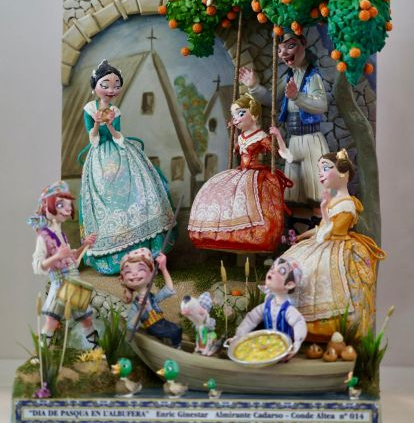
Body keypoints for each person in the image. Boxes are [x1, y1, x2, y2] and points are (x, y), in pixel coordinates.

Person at [79, 59, 174, 275]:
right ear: (95, 86)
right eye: (105, 85)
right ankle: (112, 254)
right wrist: (97, 123)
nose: (111, 90)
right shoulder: (89, 109)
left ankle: (143, 249)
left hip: (119, 151)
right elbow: (92, 139)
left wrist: (111, 125)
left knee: (137, 187)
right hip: (100, 156)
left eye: (116, 85)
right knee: (105, 194)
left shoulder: (115, 110)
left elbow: (118, 136)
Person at [280, 149, 386, 341]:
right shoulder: (334, 200)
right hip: (323, 242)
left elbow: (329, 233)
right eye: (319, 169)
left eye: (326, 168)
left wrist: (323, 211)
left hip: (336, 247)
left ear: (343, 173)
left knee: (315, 272)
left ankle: (325, 327)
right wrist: (302, 236)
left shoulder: (347, 205)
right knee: (290, 264)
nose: (320, 174)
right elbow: (321, 229)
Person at [188, 93, 293, 253]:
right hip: (241, 172)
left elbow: (275, 152)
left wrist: (277, 135)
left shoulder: (260, 136)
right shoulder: (241, 137)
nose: (236, 118)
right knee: (221, 195)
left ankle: (254, 235)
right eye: (234, 115)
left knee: (254, 201)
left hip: (255, 174)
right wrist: (234, 134)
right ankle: (224, 235)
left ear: (254, 116)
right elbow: (238, 150)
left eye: (241, 113)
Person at [239, 30, 329, 207]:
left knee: (316, 191)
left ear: (304, 44)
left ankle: (319, 220)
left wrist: (297, 97)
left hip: (311, 139)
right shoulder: (289, 76)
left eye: (290, 46)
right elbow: (271, 99)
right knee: (294, 192)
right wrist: (254, 86)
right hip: (294, 140)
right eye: (280, 50)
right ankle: (298, 222)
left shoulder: (313, 76)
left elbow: (321, 105)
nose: (284, 53)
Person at [29, 181, 99, 348]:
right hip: (60, 284)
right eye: (60, 204)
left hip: (73, 282)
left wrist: (85, 245)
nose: (67, 209)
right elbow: (38, 265)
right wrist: (57, 256)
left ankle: (97, 350)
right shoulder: (44, 237)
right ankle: (42, 353)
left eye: (68, 205)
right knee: (51, 321)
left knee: (86, 319)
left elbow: (71, 259)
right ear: (47, 206)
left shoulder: (62, 234)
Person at [234, 257, 307, 359]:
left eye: (281, 271)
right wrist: (238, 336)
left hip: (284, 347)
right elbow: (251, 319)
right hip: (266, 345)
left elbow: (298, 322)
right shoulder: (266, 306)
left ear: (289, 284)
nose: (272, 271)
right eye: (272, 267)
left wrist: (297, 342)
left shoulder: (288, 310)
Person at [120, 248, 182, 348]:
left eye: (140, 269)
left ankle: (176, 345)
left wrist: (164, 269)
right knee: (173, 331)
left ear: (152, 273)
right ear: (123, 279)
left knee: (177, 328)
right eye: (128, 272)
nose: (134, 274)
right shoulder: (136, 304)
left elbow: (169, 289)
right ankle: (175, 347)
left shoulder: (152, 297)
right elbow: (130, 327)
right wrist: (141, 310)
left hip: (161, 322)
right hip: (153, 326)